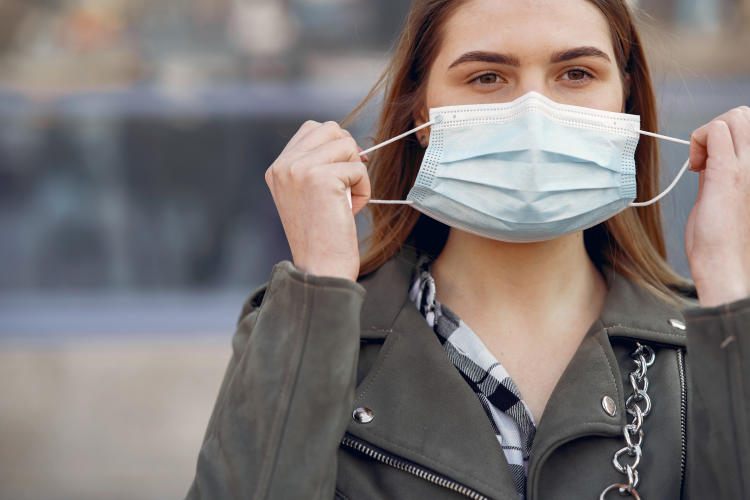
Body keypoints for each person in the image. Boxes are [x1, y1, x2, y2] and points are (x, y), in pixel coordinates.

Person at [187, 0, 750, 498]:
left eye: (576, 73)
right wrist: (322, 288)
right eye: (487, 77)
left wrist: (729, 285)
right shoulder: (312, 330)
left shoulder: (705, 342)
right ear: (422, 117)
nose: (535, 114)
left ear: (626, 101)